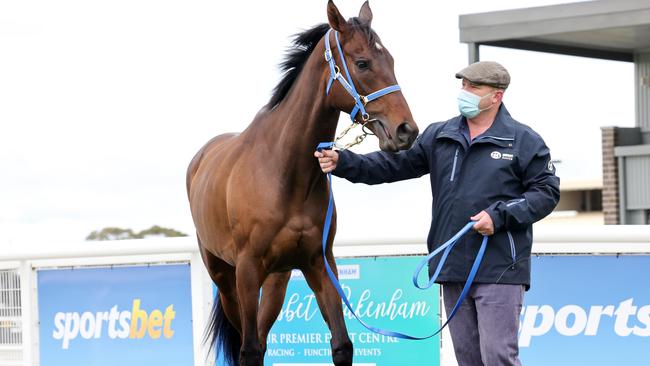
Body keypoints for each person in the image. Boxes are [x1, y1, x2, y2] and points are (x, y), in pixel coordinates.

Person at [314, 61, 560, 366]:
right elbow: (393, 165)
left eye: (474, 87)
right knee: (468, 359)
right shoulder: (440, 135)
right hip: (453, 266)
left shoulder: (524, 141)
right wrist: (344, 162)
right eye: (463, 85)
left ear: (496, 96)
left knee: (497, 356)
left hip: (500, 268)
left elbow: (546, 193)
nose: (465, 92)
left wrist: (498, 217)